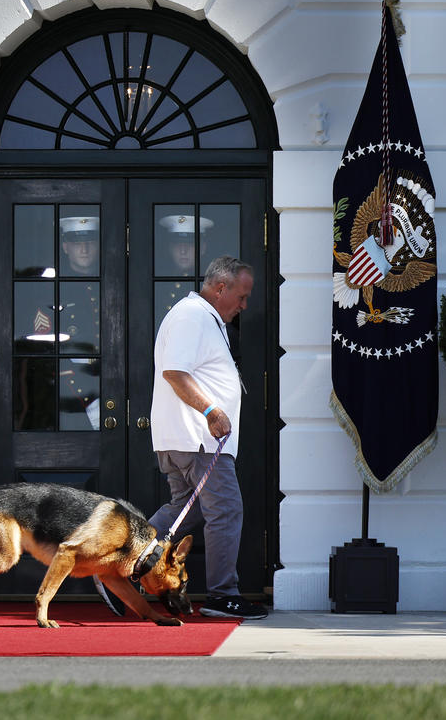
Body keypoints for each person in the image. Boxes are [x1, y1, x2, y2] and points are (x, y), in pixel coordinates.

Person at [147, 255, 267, 619]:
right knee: (226, 510)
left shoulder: (203, 317)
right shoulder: (193, 316)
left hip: (189, 439)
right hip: (197, 439)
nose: (244, 305)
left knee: (188, 510)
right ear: (221, 288)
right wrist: (212, 412)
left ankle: (121, 558)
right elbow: (175, 373)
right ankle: (222, 595)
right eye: (242, 296)